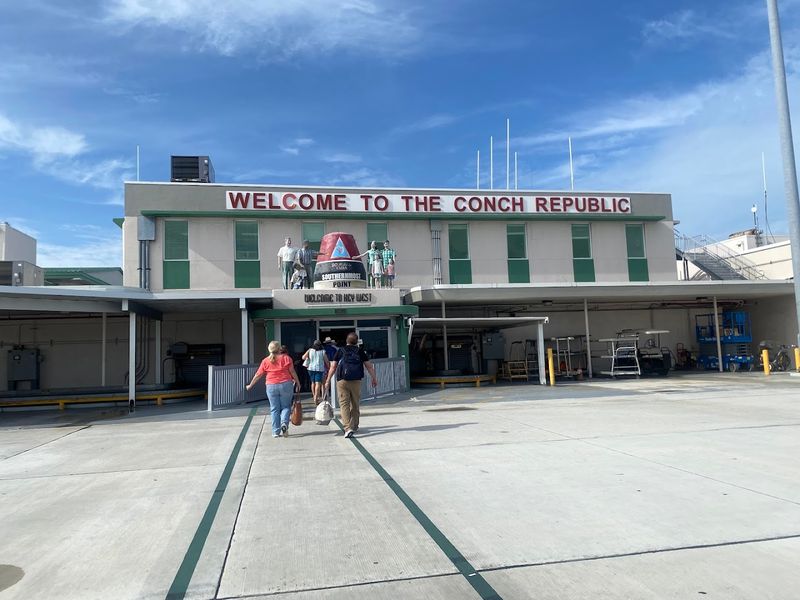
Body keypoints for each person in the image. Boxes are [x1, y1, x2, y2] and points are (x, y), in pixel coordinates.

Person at [324, 332, 377, 438]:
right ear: (356, 342)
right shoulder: (359, 351)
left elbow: (333, 367)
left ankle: (347, 428)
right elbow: (369, 366)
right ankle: (355, 426)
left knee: (344, 405)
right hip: (356, 380)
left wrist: (328, 380)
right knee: (355, 404)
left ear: (347, 341)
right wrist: (374, 378)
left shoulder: (340, 351)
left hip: (342, 381)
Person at [246, 340, 301, 438]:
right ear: (279, 348)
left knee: (274, 409)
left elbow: (258, 375)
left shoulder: (265, 361)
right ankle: (284, 423)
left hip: (271, 386)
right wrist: (298, 382)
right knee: (286, 406)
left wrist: (250, 385)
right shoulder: (286, 358)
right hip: (286, 384)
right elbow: (292, 372)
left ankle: (275, 432)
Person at [302, 340, 330, 405]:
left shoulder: (310, 350)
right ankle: (315, 398)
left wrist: (308, 357)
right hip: (319, 369)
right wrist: (328, 368)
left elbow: (303, 357)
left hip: (310, 368)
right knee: (318, 384)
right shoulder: (323, 352)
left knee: (313, 382)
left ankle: (314, 395)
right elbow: (327, 361)